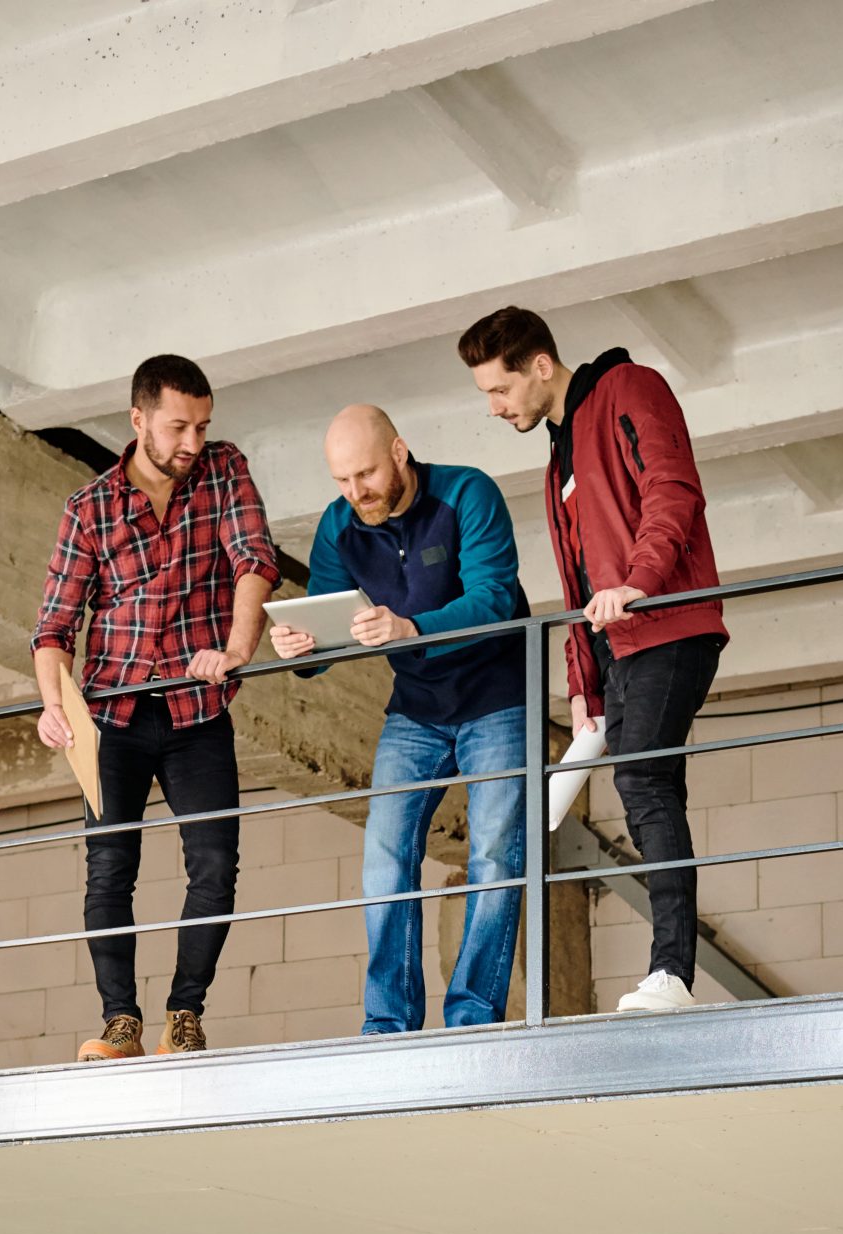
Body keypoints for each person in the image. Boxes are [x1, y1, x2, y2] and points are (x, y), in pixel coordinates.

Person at [457, 306, 727, 1015]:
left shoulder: (630, 389)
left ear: (539, 366)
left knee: (642, 781)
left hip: (666, 623)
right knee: (646, 783)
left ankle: (671, 974)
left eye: (498, 390)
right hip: (616, 645)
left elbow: (672, 490)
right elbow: (578, 577)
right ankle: (670, 973)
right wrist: (583, 685)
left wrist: (639, 582)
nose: (493, 407)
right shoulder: (559, 450)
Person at [33, 353, 278, 1061]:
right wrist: (53, 705)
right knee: (110, 869)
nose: (192, 444)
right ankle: (120, 1023)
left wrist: (234, 648)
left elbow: (253, 557)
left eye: (202, 426)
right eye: (177, 427)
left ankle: (185, 1014)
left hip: (196, 710)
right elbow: (53, 630)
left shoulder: (224, 469)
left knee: (215, 860)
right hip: (108, 718)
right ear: (138, 419)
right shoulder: (90, 508)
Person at [268, 405, 527, 1036]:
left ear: (400, 453)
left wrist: (411, 628)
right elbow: (331, 619)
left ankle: (472, 1016)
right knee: (385, 857)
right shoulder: (340, 525)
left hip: (498, 696)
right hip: (415, 707)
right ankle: (388, 1022)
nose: (356, 493)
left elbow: (496, 596)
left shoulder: (468, 493)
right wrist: (303, 650)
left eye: (365, 474)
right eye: (341, 481)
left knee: (495, 854)